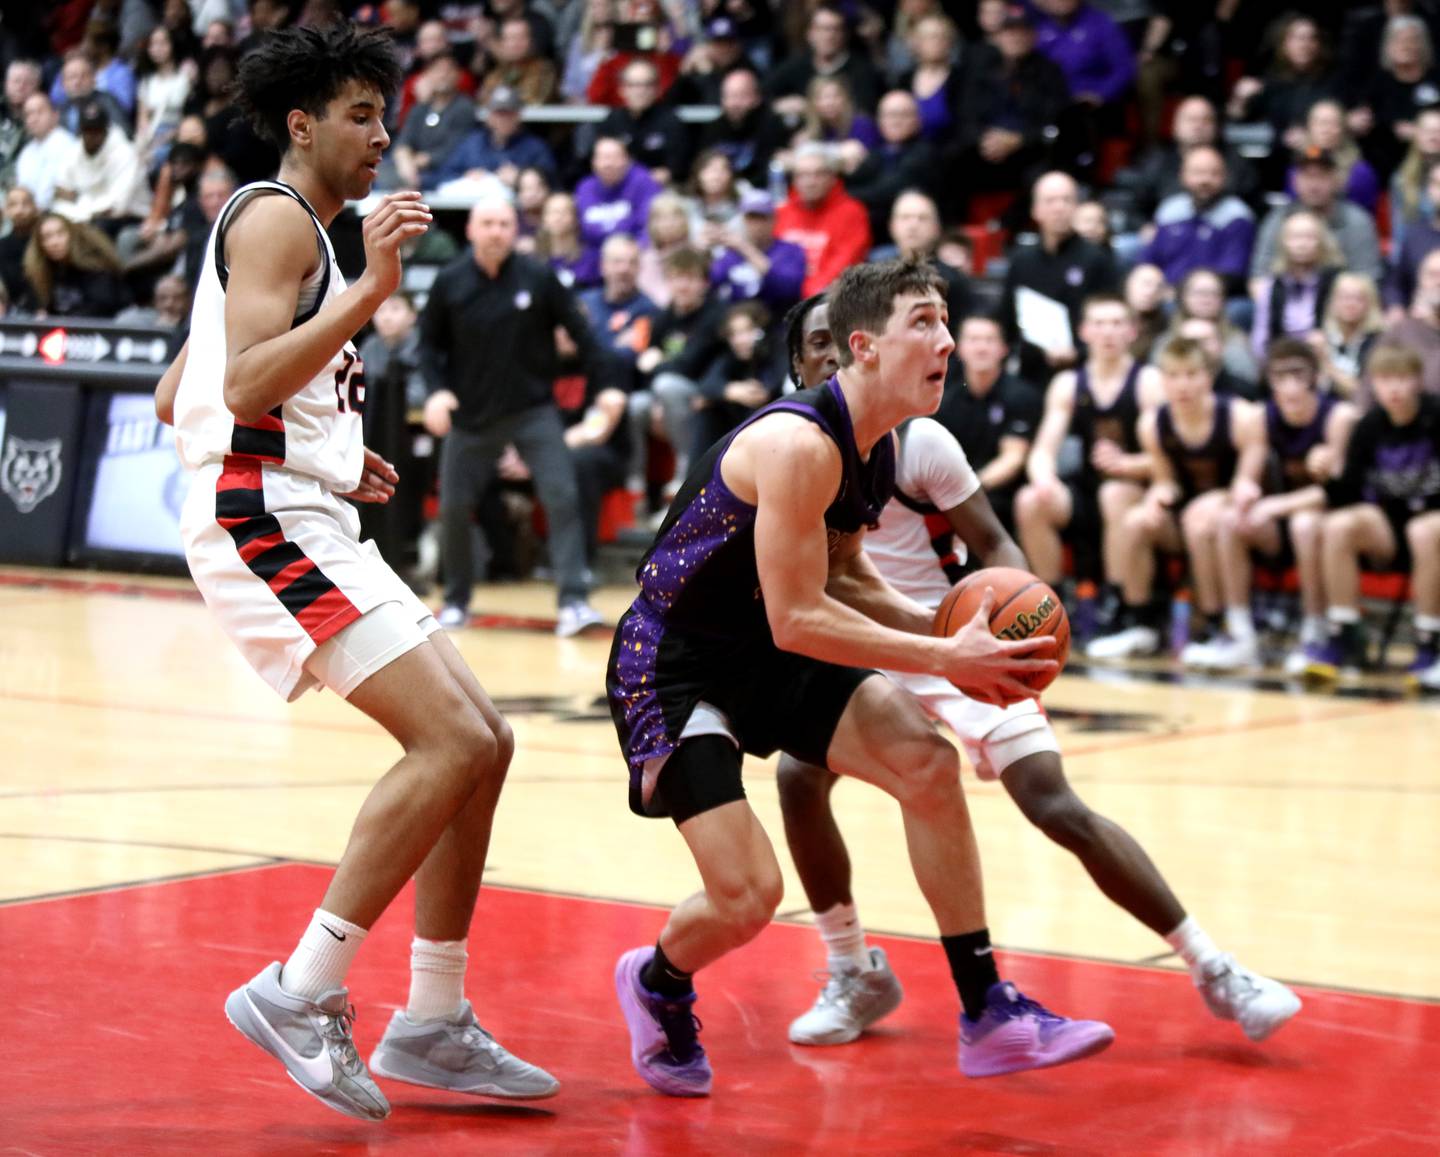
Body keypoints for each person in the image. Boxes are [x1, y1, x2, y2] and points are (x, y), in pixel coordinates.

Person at [152, 22, 557, 1122]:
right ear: (303, 124)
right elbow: (238, 392)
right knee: (455, 737)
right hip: (258, 516)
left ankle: (431, 1017)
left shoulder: (295, 233)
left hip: (299, 500)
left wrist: (328, 444)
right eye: (362, 115)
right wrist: (372, 288)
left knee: (489, 740)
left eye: (387, 114)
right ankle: (300, 989)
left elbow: (177, 392)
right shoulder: (282, 216)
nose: (384, 135)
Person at [606, 259, 1111, 1099]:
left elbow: (845, 573)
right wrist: (948, 659)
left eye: (947, 321)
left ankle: (988, 1010)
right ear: (864, 347)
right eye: (925, 321)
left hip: (762, 648)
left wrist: (946, 624)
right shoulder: (800, 443)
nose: (946, 339)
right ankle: (657, 979)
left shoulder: (875, 448)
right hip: (677, 662)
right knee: (749, 894)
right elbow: (798, 618)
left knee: (925, 759)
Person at [775, 292, 1300, 1050]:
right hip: (872, 647)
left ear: (866, 347)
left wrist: (1014, 632)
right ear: (798, 363)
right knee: (798, 776)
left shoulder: (919, 442)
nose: (828, 355)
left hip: (958, 635)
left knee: (1054, 802)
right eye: (814, 344)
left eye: (838, 340)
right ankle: (851, 967)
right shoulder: (790, 444)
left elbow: (999, 548)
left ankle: (1214, 967)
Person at [421, 192, 613, 637]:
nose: (496, 232)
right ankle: (456, 600)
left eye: (505, 224)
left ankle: (573, 602)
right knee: (453, 507)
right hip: (471, 415)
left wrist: (605, 393)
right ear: (470, 230)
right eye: (487, 223)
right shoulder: (449, 282)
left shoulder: (538, 277)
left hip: (533, 412)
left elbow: (584, 337)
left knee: (563, 497)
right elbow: (428, 347)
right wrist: (435, 393)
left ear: (515, 231)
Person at [1087, 337, 1268, 662]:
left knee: (1200, 520)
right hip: (1185, 516)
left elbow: (1248, 485)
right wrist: (1156, 499)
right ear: (1163, 380)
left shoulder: (1242, 417)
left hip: (1246, 517)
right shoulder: (1152, 423)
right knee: (1136, 519)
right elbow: (1166, 481)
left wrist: (1220, 498)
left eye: (1191, 374)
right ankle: (1139, 621)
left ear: (1208, 376)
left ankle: (1219, 626)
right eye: (1173, 376)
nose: (1182, 384)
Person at [1211, 340, 1358, 674]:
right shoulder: (1261, 416)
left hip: (1330, 521)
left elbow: (1337, 492)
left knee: (1304, 524)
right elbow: (1246, 476)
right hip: (1280, 523)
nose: (1290, 385)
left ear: (1315, 378)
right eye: (1281, 376)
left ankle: (1314, 628)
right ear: (1270, 380)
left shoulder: (1339, 416)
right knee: (1230, 519)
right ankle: (1239, 632)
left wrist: (1276, 505)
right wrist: (1245, 490)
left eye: (1298, 375)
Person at [1306, 343, 1440, 686]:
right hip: (1391, 530)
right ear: (1373, 384)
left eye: (1402, 378)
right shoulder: (1368, 426)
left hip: (1433, 524)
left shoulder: (1435, 416)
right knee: (1338, 525)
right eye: (1384, 379)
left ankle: (1429, 642)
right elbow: (1347, 494)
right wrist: (1326, 475)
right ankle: (1344, 633)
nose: (1393, 388)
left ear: (1417, 381)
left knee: (1425, 531)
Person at [1015, 295, 1163, 603]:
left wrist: (1128, 464)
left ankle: (1118, 603)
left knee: (1115, 494)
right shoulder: (1067, 383)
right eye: (1099, 324)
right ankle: (1051, 604)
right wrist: (1044, 479)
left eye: (1117, 323)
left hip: (1138, 488)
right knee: (1030, 500)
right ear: (1084, 332)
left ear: (1132, 332)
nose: (1108, 332)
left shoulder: (1149, 381)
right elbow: (1042, 450)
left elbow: (1168, 461)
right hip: (1086, 490)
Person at [934, 313, 1041, 535]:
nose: (981, 348)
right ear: (960, 347)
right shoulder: (945, 398)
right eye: (973, 340)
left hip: (1002, 492)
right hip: (957, 489)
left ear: (1003, 348)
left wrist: (970, 488)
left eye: (989, 340)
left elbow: (1013, 459)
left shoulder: (1021, 395)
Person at [774, 143, 872, 297]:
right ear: (794, 179)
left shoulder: (852, 212)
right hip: (782, 297)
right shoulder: (781, 212)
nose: (810, 182)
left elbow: (845, 262)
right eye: (803, 175)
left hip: (827, 298)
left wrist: (806, 295)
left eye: (818, 174)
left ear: (833, 177)